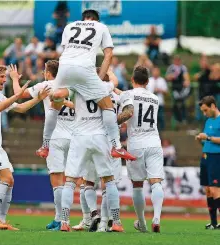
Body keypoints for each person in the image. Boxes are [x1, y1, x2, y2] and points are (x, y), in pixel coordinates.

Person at [37, 9, 135, 161]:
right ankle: (117, 147)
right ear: (96, 20)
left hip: (64, 67)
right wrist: (100, 79)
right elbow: (108, 55)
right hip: (85, 68)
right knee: (107, 106)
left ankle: (45, 145)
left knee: (55, 104)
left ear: (83, 18)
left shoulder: (70, 26)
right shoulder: (101, 27)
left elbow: (66, 50)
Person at [0, 64, 50, 230]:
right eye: (1, 76)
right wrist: (18, 94)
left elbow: (20, 108)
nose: (4, 80)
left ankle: (1, 220)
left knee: (10, 180)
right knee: (6, 178)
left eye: (6, 77)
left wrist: (39, 98)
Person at [58, 69, 127, 232]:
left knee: (70, 181)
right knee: (109, 181)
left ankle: (64, 221)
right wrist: (109, 72)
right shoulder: (104, 87)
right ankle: (116, 221)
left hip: (80, 136)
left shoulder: (76, 86)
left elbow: (60, 94)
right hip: (99, 137)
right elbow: (115, 83)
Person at [12, 61, 74, 231]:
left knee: (57, 180)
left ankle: (62, 220)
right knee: (72, 180)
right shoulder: (71, 86)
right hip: (74, 137)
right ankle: (63, 218)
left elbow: (18, 94)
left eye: (45, 71)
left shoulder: (47, 85)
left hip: (55, 137)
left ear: (48, 73)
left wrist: (14, 79)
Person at [125, 66, 164, 233]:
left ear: (132, 80)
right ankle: (156, 217)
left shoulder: (128, 95)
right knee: (156, 181)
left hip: (136, 143)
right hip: (154, 141)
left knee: (137, 184)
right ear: (148, 82)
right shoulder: (155, 98)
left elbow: (125, 101)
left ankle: (142, 222)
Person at [196, 96, 220, 229]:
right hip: (206, 156)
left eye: (206, 110)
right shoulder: (208, 121)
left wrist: (208, 137)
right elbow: (207, 142)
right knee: (208, 191)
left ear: (213, 106)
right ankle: (213, 223)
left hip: (217, 157)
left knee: (215, 190)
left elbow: (212, 139)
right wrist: (200, 140)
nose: (205, 114)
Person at [166, 55, 191, 124]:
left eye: (178, 60)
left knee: (183, 104)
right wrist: (171, 76)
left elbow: (187, 78)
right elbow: (167, 77)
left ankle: (184, 119)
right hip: (174, 89)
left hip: (182, 89)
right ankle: (177, 119)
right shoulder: (171, 68)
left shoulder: (183, 68)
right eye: (176, 60)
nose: (177, 61)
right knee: (175, 104)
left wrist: (187, 81)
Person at [147, 66, 168, 131]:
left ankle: (162, 130)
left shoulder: (162, 80)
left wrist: (160, 90)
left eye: (157, 71)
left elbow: (166, 92)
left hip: (160, 102)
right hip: (151, 102)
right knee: (151, 117)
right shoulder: (149, 80)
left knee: (161, 117)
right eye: (154, 71)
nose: (156, 72)